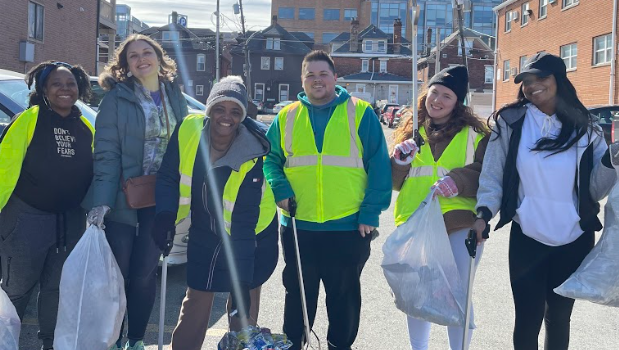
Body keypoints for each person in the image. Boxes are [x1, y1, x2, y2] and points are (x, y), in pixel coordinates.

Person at [473, 52, 618, 350]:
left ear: (559, 80)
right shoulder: (510, 122)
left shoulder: (586, 127)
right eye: (526, 80)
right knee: (527, 318)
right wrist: (483, 213)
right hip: (528, 234)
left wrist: (611, 161)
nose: (532, 86)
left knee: (560, 316)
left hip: (575, 237)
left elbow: (593, 191)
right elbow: (493, 174)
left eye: (541, 78)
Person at [264, 50, 392, 350]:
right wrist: (279, 188)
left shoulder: (360, 112)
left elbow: (379, 166)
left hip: (347, 225)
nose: (317, 80)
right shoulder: (287, 116)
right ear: (302, 79)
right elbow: (270, 158)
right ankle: (293, 345)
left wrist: (370, 213)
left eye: (323, 74)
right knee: (297, 295)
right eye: (310, 74)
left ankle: (339, 345)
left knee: (344, 298)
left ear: (335, 77)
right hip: (299, 225)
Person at [153, 76, 279, 349]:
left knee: (242, 305)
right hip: (206, 225)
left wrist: (241, 283)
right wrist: (165, 215)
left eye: (236, 111)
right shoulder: (189, 129)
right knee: (198, 295)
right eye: (220, 108)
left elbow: (244, 225)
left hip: (253, 231)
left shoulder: (251, 151)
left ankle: (242, 340)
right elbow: (167, 177)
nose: (227, 117)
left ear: (243, 117)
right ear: (208, 109)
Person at [84, 34, 188, 350]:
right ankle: (113, 338)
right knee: (118, 274)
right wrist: (101, 202)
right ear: (125, 65)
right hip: (121, 198)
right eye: (133, 56)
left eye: (147, 53)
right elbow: (105, 152)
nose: (141, 59)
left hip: (160, 198)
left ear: (159, 58)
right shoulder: (117, 99)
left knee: (144, 273)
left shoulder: (174, 95)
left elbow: (186, 145)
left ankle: (136, 340)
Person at [391, 65, 489, 350]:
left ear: (458, 102)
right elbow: (397, 183)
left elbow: (489, 172)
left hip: (458, 222)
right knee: (417, 295)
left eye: (447, 95)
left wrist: (458, 180)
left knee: (457, 294)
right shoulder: (413, 132)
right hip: (415, 222)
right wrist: (399, 161)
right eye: (434, 92)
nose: (438, 100)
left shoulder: (476, 134)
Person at [0, 61, 94, 350]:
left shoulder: (86, 126)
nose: (65, 89)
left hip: (69, 222)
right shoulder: (28, 120)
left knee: (57, 288)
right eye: (57, 83)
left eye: (70, 84)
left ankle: (49, 343)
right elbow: (4, 168)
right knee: (17, 289)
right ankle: (5, 341)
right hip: (26, 219)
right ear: (43, 89)